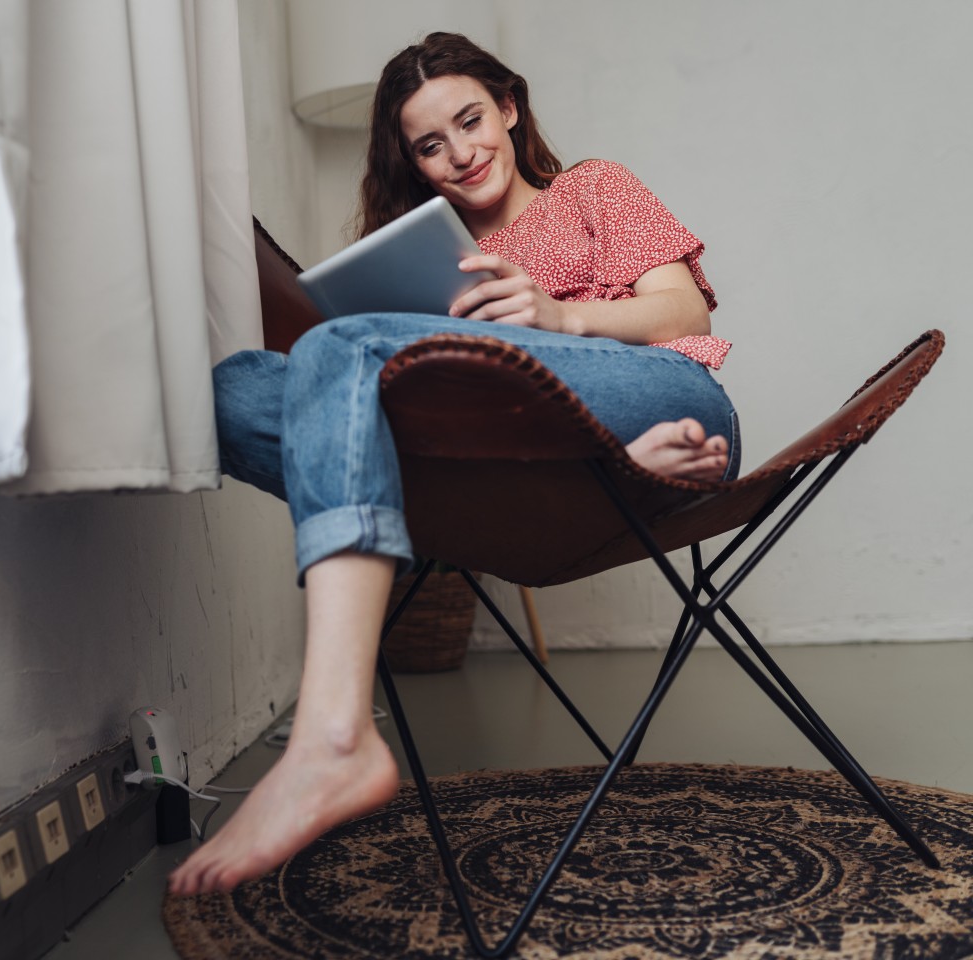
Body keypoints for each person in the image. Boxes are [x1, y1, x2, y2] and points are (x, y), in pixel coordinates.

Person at [168, 32, 739, 896]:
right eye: (430, 144)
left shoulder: (591, 187)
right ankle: (594, 465)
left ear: (508, 108)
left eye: (470, 121)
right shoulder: (422, 255)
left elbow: (681, 306)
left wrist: (555, 313)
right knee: (236, 387)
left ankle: (333, 735)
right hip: (508, 455)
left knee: (338, 349)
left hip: (655, 388)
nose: (460, 153)